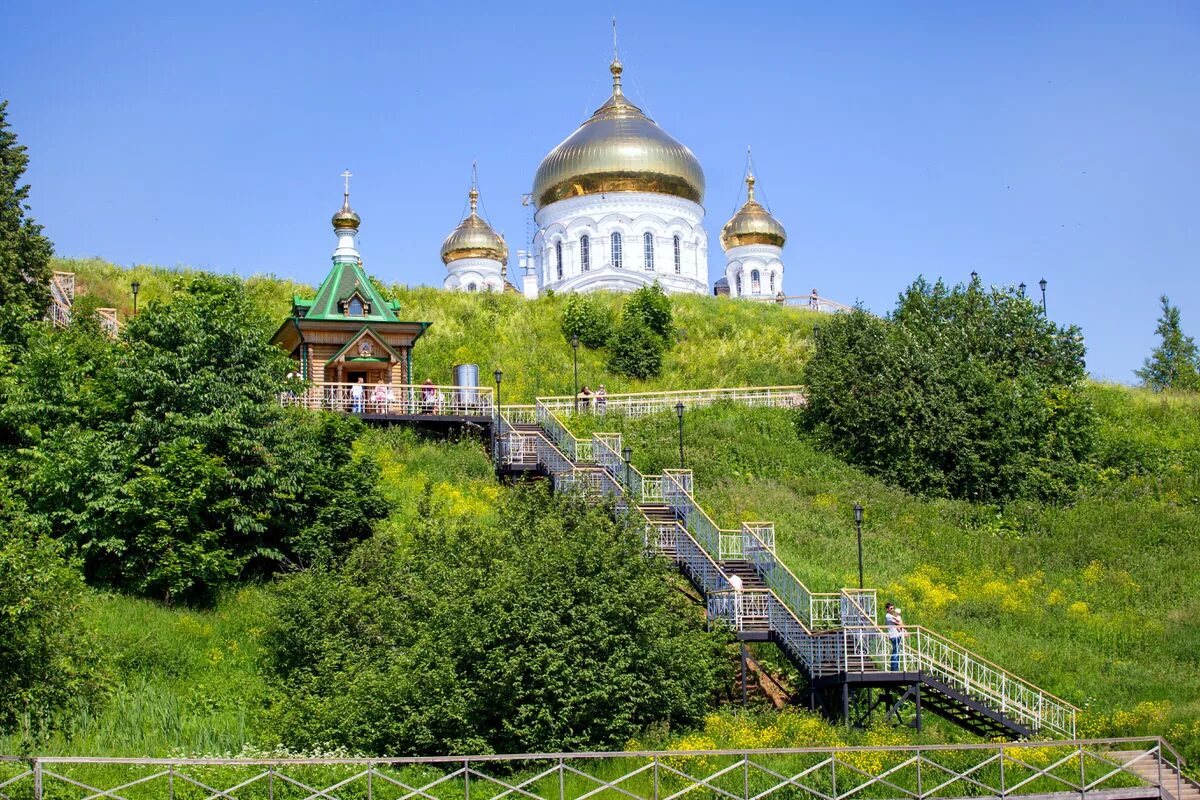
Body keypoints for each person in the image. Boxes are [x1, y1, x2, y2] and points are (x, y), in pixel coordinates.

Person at [886, 603, 904, 671]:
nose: (892, 610)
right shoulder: (888, 616)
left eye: (893, 608)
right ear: (887, 609)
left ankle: (895, 667)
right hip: (894, 635)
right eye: (891, 608)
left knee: (896, 651)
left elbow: (898, 624)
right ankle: (894, 668)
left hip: (896, 635)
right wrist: (902, 625)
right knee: (895, 651)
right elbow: (898, 623)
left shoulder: (891, 615)